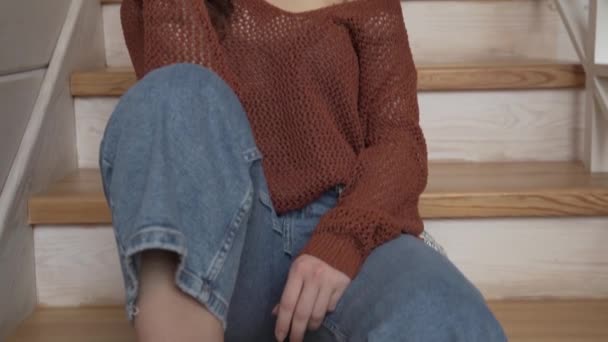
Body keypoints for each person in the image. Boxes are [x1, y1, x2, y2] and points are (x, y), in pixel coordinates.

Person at [99, 0, 508, 341]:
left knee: (448, 316)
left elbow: (399, 142)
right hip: (234, 234)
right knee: (172, 92)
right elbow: (194, 129)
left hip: (346, 223)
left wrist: (340, 242)